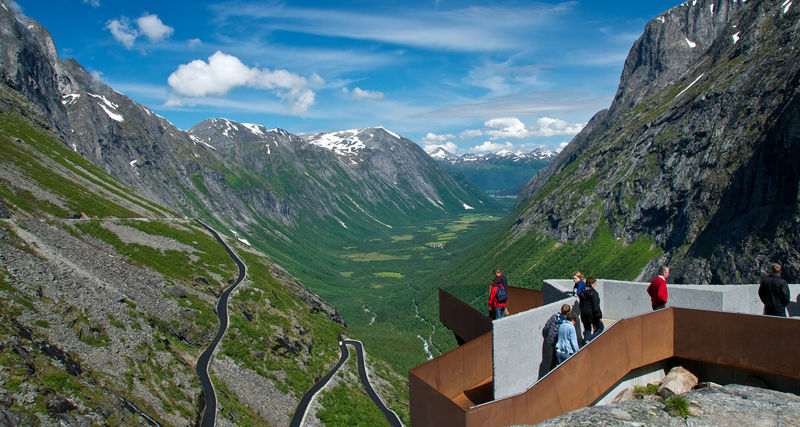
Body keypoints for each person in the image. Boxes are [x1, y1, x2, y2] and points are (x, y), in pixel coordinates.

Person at [542, 304, 571, 370]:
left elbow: (546, 327)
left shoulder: (554, 316)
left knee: (555, 358)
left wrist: (546, 336)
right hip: (557, 342)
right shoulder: (566, 322)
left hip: (550, 340)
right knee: (555, 359)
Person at [579, 277, 604, 344]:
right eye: (594, 284)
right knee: (600, 327)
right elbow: (596, 307)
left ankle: (585, 343)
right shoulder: (593, 293)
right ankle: (589, 341)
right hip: (592, 315)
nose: (595, 285)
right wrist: (599, 317)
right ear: (592, 284)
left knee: (587, 329)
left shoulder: (582, 292)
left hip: (583, 314)